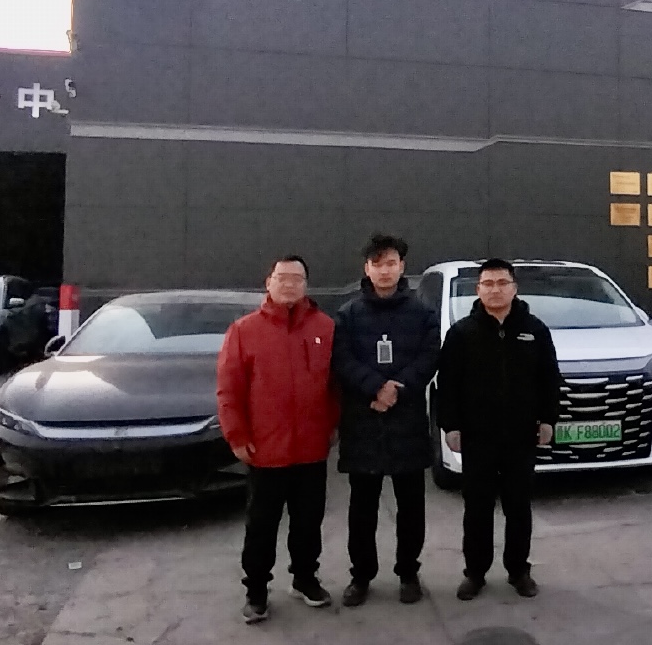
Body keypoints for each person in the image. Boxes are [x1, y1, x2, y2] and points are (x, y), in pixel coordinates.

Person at [217, 255, 339, 624]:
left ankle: (305, 579)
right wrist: (236, 435)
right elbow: (229, 389)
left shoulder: (325, 327)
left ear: (306, 285)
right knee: (261, 525)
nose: (289, 284)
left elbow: (335, 386)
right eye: (282, 277)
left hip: (311, 449)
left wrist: (332, 426)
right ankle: (256, 591)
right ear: (268, 282)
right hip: (265, 449)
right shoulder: (244, 330)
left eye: (297, 278)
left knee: (308, 522)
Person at [436, 258, 561, 600]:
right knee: (477, 508)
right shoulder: (462, 333)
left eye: (502, 283)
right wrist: (450, 426)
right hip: (478, 437)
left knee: (518, 506)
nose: (495, 290)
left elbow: (550, 379)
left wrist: (548, 419)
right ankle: (475, 573)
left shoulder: (535, 330)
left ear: (514, 288)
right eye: (488, 284)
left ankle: (519, 570)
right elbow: (448, 384)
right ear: (478, 290)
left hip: (521, 436)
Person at [332, 234, 440, 607]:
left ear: (402, 267)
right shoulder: (348, 315)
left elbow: (430, 357)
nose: (384, 270)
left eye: (391, 263)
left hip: (407, 423)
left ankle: (408, 573)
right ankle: (360, 576)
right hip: (364, 422)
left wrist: (398, 389)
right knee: (362, 508)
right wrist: (375, 388)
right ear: (367, 268)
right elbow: (341, 360)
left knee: (411, 507)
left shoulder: (422, 313)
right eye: (377, 264)